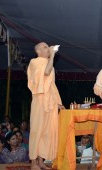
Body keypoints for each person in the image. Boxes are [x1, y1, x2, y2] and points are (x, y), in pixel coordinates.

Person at [27, 42, 65, 170]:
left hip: (50, 102)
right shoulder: (35, 61)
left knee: (46, 132)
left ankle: (41, 161)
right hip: (39, 99)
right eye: (44, 47)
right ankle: (33, 163)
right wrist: (52, 56)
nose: (47, 48)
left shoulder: (49, 64)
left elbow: (52, 86)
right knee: (37, 130)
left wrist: (58, 103)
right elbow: (46, 73)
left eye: (47, 47)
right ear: (38, 51)